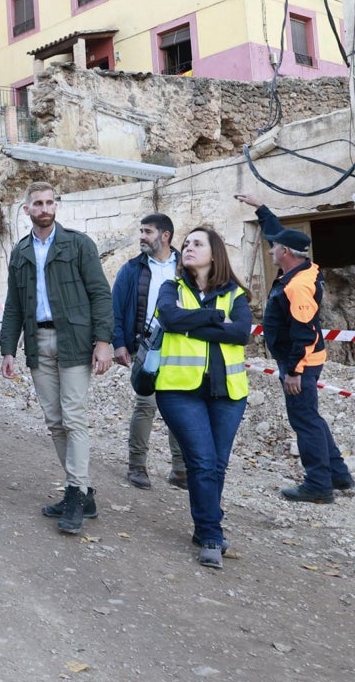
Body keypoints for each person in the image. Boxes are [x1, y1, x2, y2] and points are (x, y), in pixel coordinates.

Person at [0, 182, 113, 534]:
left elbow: (100, 293)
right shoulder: (19, 253)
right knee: (54, 420)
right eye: (37, 203)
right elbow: (14, 306)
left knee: (74, 418)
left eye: (49, 202)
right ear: (27, 209)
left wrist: (104, 341)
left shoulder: (78, 244)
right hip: (38, 341)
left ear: (56, 206)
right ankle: (82, 490)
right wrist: (8, 348)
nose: (44, 208)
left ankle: (75, 495)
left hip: (75, 340)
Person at [236, 194, 352, 502]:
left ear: (286, 252)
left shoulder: (298, 286)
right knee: (310, 416)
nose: (270, 248)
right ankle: (339, 476)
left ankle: (318, 485)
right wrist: (261, 209)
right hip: (303, 359)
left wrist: (294, 372)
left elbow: (302, 334)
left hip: (301, 361)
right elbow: (276, 233)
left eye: (274, 247)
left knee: (304, 421)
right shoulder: (301, 269)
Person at [154, 227, 252, 568]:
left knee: (216, 465)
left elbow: (241, 333)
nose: (188, 248)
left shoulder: (235, 293)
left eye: (197, 243)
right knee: (202, 462)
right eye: (186, 243)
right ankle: (211, 535)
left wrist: (190, 324)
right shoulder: (171, 288)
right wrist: (213, 318)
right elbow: (169, 318)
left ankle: (204, 525)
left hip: (228, 392)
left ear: (215, 253)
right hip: (179, 390)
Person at [111, 214, 186, 489]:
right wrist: (118, 343)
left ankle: (180, 470)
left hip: (182, 348)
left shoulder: (186, 266)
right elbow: (115, 309)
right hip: (148, 347)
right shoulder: (131, 269)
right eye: (141, 231)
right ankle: (137, 465)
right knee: (145, 405)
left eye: (147, 231)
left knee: (179, 407)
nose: (142, 236)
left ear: (165, 236)